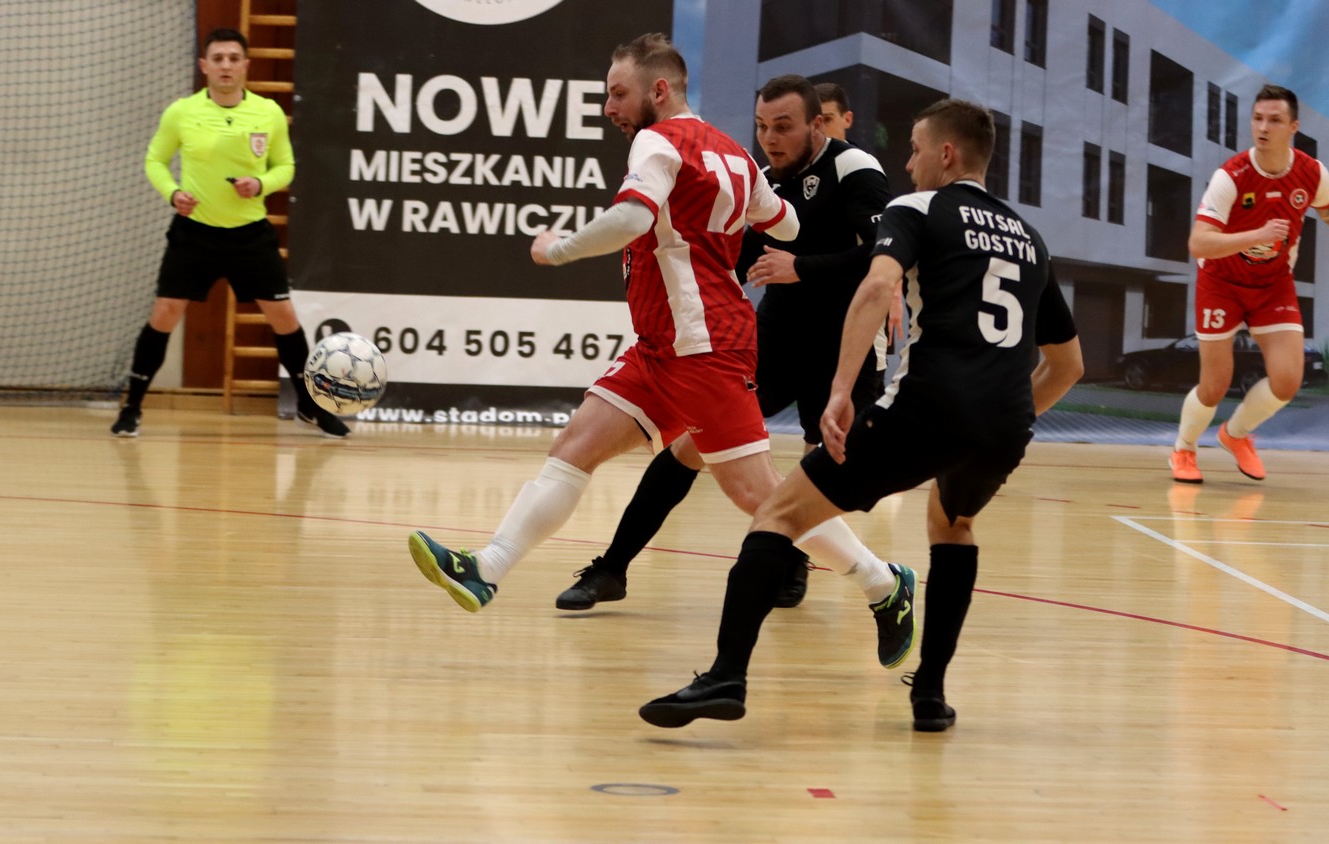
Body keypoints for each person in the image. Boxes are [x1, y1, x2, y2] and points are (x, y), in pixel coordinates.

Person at [405, 34, 917, 670]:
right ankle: (487, 567)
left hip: (704, 348)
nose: (609, 107)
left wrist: (557, 249)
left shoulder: (658, 142)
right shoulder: (732, 153)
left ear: (660, 90)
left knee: (763, 499)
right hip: (661, 345)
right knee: (574, 447)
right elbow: (783, 221)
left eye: (618, 93)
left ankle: (883, 583)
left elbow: (630, 219)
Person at [638, 98, 1083, 732]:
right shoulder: (1029, 238)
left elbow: (876, 288)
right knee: (952, 525)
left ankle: (726, 676)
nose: (908, 160)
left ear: (946, 155)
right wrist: (1007, 416)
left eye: (915, 147)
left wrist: (843, 389)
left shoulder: (917, 208)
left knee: (777, 514)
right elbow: (1068, 366)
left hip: (927, 404)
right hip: (1007, 422)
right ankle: (928, 695)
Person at [553, 75, 891, 613]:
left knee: (816, 475)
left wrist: (800, 267)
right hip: (775, 342)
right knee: (687, 450)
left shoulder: (855, 169)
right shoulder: (759, 179)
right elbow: (725, 256)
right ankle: (612, 568)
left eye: (783, 127)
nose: (770, 139)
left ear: (818, 125)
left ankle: (827, 569)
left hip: (843, 349)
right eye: (761, 127)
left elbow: (882, 258)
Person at [111, 28, 349, 439]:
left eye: (233, 58)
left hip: (250, 235)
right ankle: (132, 406)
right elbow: (155, 160)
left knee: (285, 318)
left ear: (246, 66)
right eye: (217, 58)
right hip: (194, 235)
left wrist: (260, 185)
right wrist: (174, 193)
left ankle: (313, 407)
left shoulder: (267, 113)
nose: (225, 65)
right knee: (164, 314)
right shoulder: (181, 112)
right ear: (204, 66)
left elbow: (285, 167)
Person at [1170, 84, 1329, 483]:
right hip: (1222, 282)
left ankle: (1236, 435)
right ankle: (1183, 449)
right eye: (1258, 118)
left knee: (1287, 380)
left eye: (1274, 120)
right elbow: (1198, 242)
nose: (1263, 127)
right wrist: (1256, 235)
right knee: (1214, 386)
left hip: (1273, 284)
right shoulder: (1230, 176)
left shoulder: (1311, 172)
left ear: (1293, 127)